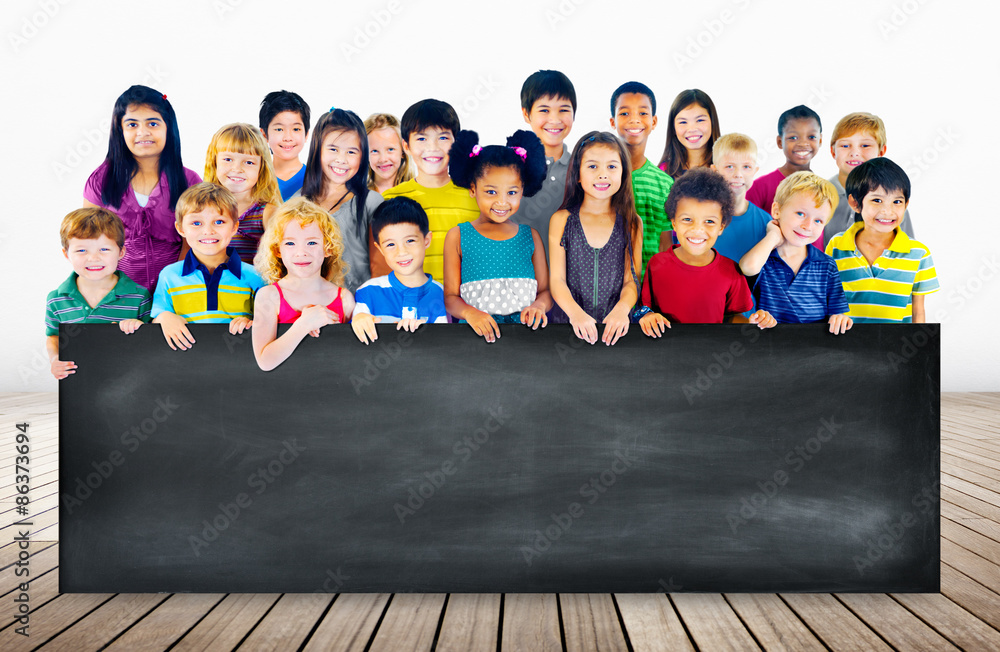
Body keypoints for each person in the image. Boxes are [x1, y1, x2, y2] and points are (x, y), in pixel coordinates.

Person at [83, 85, 201, 290]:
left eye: (153, 123)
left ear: (168, 128)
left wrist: (174, 286)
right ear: (120, 130)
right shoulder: (100, 180)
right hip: (115, 294)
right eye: (132, 124)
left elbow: (193, 242)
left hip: (176, 292)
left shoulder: (189, 181)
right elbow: (88, 241)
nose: (143, 132)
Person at [638, 168, 776, 335]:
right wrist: (647, 316)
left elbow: (733, 317)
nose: (697, 230)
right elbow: (644, 309)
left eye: (709, 221)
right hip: (666, 356)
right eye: (687, 219)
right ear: (673, 223)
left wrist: (754, 321)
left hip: (713, 354)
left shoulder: (731, 270)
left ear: (721, 227)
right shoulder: (656, 264)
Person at [443, 130, 552, 342]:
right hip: (474, 339)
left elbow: (545, 292)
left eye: (511, 192)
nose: (502, 202)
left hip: (526, 339)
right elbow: (451, 298)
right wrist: (470, 313)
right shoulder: (458, 236)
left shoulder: (531, 237)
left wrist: (539, 305)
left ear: (522, 190)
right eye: (491, 192)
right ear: (473, 189)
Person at [548, 132, 643, 346]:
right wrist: (576, 315)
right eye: (592, 166)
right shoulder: (562, 220)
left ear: (623, 173)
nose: (603, 175)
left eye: (611, 167)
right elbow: (557, 280)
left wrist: (621, 310)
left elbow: (632, 280)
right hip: (568, 327)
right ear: (578, 174)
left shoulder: (632, 222)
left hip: (617, 331)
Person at [151, 183, 264, 350]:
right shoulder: (169, 275)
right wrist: (165, 317)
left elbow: (268, 322)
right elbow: (157, 316)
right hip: (185, 363)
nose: (208, 231)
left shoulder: (255, 276)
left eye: (219, 221)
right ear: (181, 228)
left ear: (234, 227)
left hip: (238, 362)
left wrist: (251, 323)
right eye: (196, 223)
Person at [825, 158, 939, 323]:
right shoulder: (836, 246)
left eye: (897, 202)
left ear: (906, 204)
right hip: (845, 346)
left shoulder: (919, 254)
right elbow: (828, 298)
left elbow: (918, 311)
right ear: (855, 203)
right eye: (877, 200)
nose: (887, 211)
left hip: (898, 346)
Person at [739, 172, 852, 333]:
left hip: (814, 349)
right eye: (800, 214)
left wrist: (840, 318)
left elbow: (836, 313)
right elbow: (748, 267)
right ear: (776, 210)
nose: (807, 226)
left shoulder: (827, 265)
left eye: (818, 221)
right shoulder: (763, 258)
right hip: (771, 346)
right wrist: (773, 235)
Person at [45, 208, 151, 379]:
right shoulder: (56, 299)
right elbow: (53, 336)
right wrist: (55, 359)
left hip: (128, 383)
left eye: (104, 249)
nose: (93, 258)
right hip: (80, 386)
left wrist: (139, 327)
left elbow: (152, 343)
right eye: (81, 251)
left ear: (121, 252)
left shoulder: (139, 297)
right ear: (66, 254)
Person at [252, 197, 354, 370]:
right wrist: (304, 324)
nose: (301, 252)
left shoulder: (344, 299)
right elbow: (265, 361)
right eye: (290, 243)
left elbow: (352, 353)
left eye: (312, 242)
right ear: (278, 249)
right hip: (287, 390)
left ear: (328, 247)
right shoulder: (268, 296)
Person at [382, 99, 478, 283]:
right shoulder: (390, 199)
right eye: (421, 138)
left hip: (466, 305)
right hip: (413, 303)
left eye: (443, 138)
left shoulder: (475, 195)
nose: (432, 148)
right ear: (406, 146)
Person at [299, 108, 382, 293]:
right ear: (317, 150)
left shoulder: (371, 203)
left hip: (361, 311)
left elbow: (381, 266)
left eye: (351, 152)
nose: (341, 159)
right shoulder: (296, 203)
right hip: (309, 308)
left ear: (363, 156)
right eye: (333, 149)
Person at [352, 197, 448, 344]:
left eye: (410, 241)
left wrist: (426, 333)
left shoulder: (443, 295)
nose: (401, 252)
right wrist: (359, 319)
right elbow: (355, 336)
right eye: (390, 244)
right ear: (380, 249)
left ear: (426, 240)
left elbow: (447, 345)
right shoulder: (369, 291)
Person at [610, 81, 673, 275]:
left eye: (643, 113)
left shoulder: (665, 184)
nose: (634, 120)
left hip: (649, 289)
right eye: (624, 113)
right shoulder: (600, 178)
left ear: (653, 122)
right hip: (605, 287)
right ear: (613, 122)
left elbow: (665, 246)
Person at [824, 112, 914, 246]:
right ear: (833, 152)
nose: (855, 153)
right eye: (845, 145)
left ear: (881, 152)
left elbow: (908, 250)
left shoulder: (894, 202)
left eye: (865, 145)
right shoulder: (820, 195)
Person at [514, 70, 577, 262]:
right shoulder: (510, 166)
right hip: (518, 278)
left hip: (569, 282)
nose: (555, 119)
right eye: (544, 110)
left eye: (564, 110)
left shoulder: (582, 169)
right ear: (526, 114)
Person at [203, 123, 281, 263]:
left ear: (261, 168)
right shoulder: (200, 208)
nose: (237, 169)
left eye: (249, 162)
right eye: (228, 159)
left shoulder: (268, 213)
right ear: (214, 162)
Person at [746, 105, 823, 244]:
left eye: (811, 137)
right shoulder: (760, 187)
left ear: (820, 140)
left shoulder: (825, 189)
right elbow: (746, 232)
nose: (803, 143)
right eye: (793, 137)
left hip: (815, 264)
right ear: (779, 142)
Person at [656, 89, 721, 180]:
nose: (692, 129)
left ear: (712, 122)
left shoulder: (726, 167)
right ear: (673, 128)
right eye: (683, 122)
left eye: (700, 120)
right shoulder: (663, 171)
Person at [259, 90, 311, 200]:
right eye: (279, 129)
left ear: (306, 134)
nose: (288, 138)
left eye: (296, 129)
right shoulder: (256, 178)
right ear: (264, 134)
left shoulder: (315, 179)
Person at [364, 113, 413, 195]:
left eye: (390, 149)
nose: (383, 159)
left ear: (403, 151)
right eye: (374, 151)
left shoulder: (417, 193)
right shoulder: (356, 196)